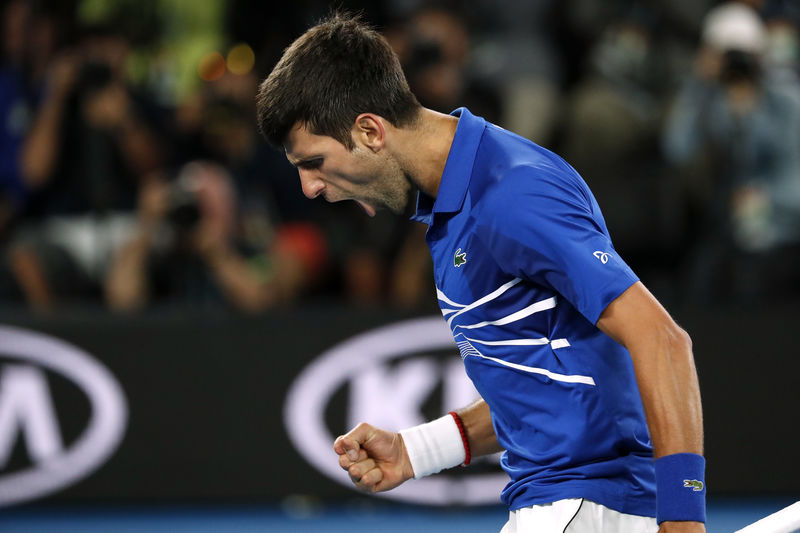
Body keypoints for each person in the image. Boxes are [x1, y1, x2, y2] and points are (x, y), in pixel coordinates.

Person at [256, 14, 705, 533]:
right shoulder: (453, 203)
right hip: (568, 504)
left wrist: (683, 519)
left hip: (583, 505)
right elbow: (546, 388)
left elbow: (661, 339)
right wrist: (414, 451)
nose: (309, 187)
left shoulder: (512, 194)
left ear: (369, 131)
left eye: (313, 162)